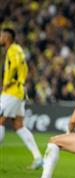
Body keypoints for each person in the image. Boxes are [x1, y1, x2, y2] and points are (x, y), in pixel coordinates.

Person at [0, 28, 43, 169]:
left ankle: (38, 158)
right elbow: (23, 66)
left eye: (1, 35)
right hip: (19, 92)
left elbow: (18, 65)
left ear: (7, 37)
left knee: (0, 121)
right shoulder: (17, 49)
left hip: (12, 92)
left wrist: (10, 82)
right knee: (18, 125)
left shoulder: (13, 50)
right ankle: (38, 158)